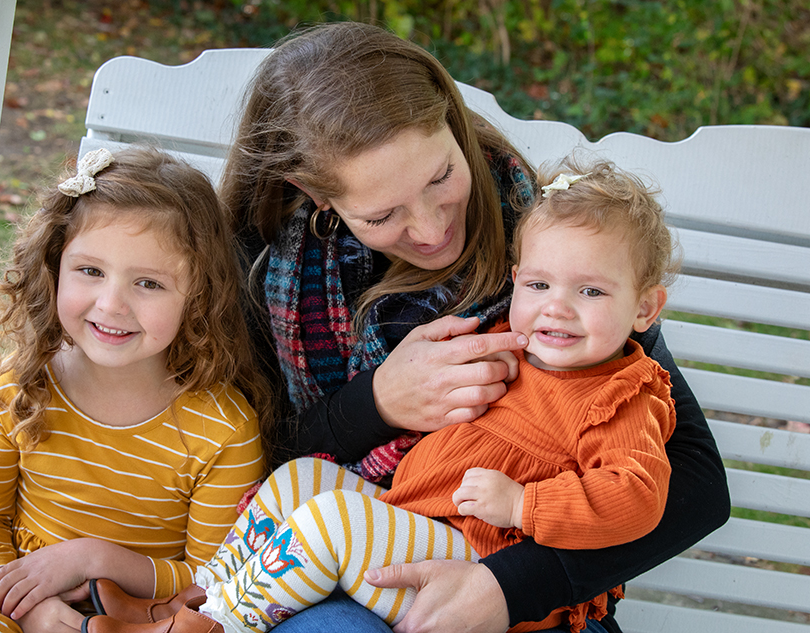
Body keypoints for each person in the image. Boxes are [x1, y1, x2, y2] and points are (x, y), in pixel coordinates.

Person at [219, 21, 728, 633]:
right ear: (313, 192)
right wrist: (375, 403)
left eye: (440, 178)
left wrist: (507, 588)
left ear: (452, 123)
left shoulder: (559, 249)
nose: (433, 229)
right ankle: (187, 614)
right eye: (383, 214)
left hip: (521, 574)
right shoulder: (269, 267)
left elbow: (698, 485)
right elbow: (243, 457)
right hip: (363, 534)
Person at [81, 157, 679, 633]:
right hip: (417, 519)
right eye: (539, 283)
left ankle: (213, 629)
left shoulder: (625, 395)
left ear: (645, 307)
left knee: (334, 521)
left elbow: (637, 497)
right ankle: (194, 598)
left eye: (591, 292)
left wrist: (526, 506)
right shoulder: (509, 343)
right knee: (299, 481)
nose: (556, 307)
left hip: (482, 560)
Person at [0, 147, 269, 633]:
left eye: (149, 283)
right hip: (3, 602)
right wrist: (26, 608)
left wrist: (93, 559)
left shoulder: (222, 428)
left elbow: (210, 578)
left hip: (142, 619)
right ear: (54, 266)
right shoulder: (20, 387)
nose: (111, 305)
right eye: (91, 271)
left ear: (199, 295)